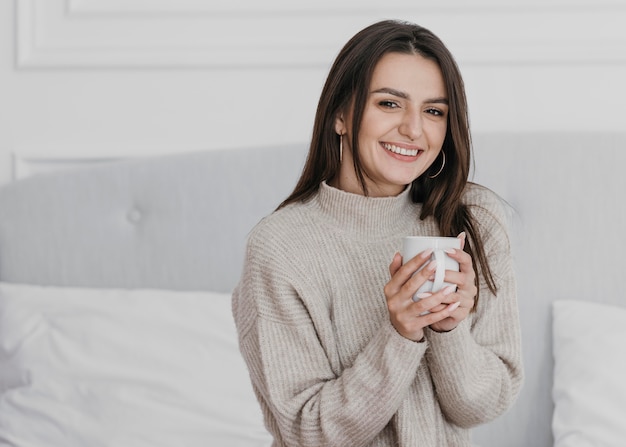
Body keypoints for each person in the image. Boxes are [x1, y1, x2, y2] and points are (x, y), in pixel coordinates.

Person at [232, 19, 523, 447]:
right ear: (340, 116)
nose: (413, 129)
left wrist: (447, 329)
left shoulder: (472, 219)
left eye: (434, 111)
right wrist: (400, 334)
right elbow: (306, 432)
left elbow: (480, 406)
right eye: (390, 104)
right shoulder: (281, 246)